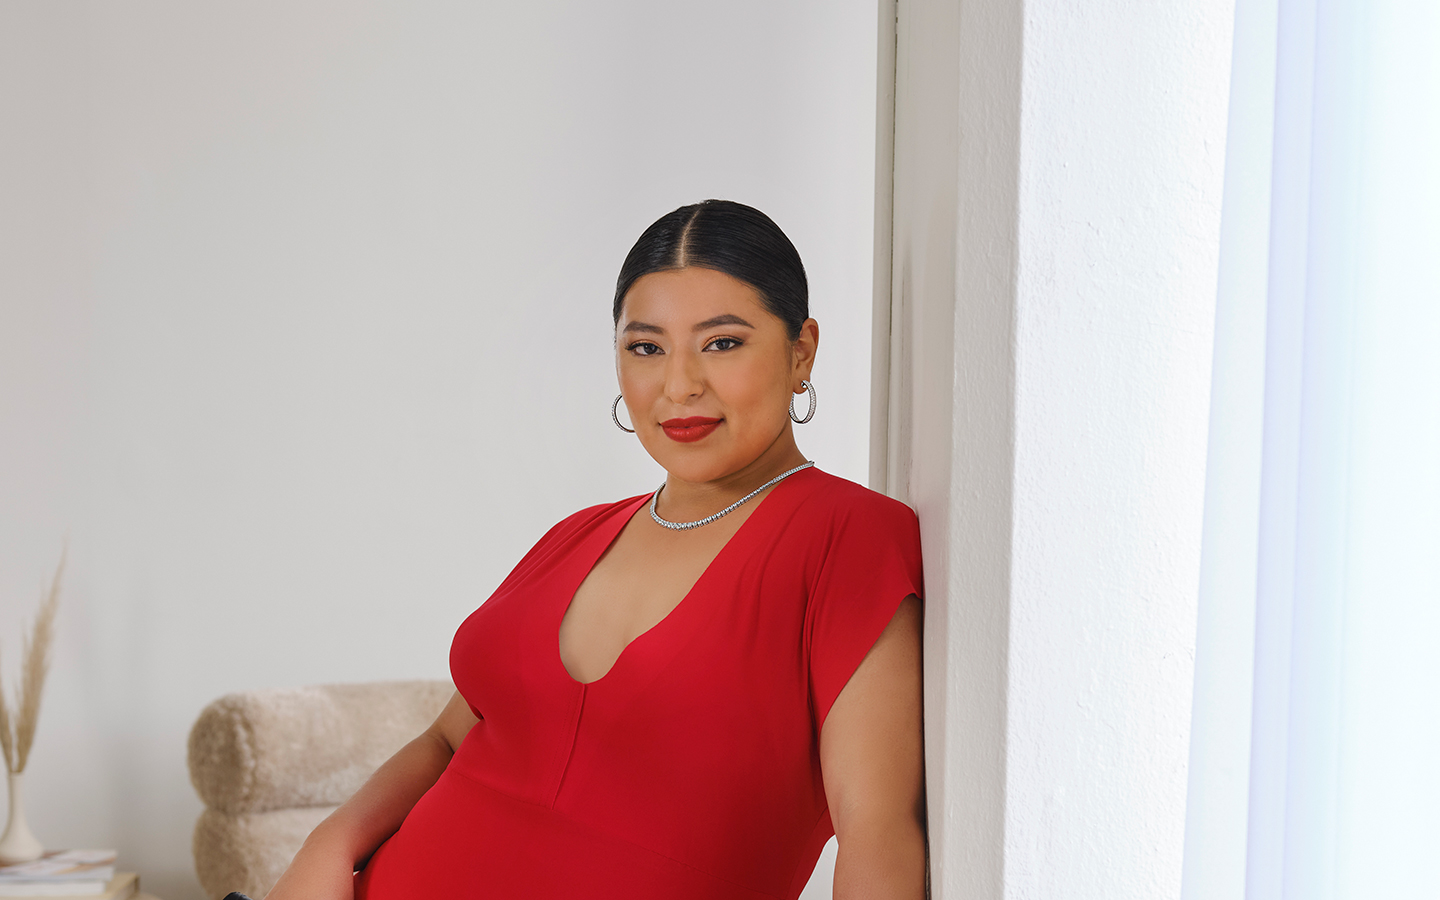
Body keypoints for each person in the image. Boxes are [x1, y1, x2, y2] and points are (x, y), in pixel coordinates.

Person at [262, 200, 926, 899]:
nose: (679, 385)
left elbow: (878, 832)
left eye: (722, 343)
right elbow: (448, 740)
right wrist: (326, 849)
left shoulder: (849, 538)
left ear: (801, 351)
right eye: (646, 347)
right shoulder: (575, 536)